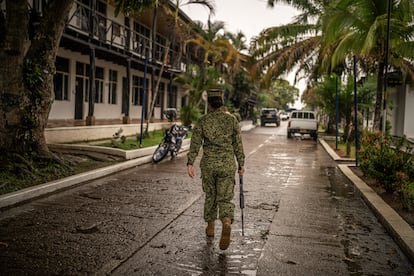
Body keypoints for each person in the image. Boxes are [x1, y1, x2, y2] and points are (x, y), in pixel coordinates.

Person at [186, 88, 245, 250]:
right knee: (225, 198)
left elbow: (195, 143)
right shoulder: (232, 120)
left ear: (208, 103)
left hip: (209, 165)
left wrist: (190, 163)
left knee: (210, 195)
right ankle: (226, 221)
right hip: (227, 164)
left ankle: (210, 227)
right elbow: (238, 144)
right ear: (222, 102)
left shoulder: (203, 121)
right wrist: (241, 164)